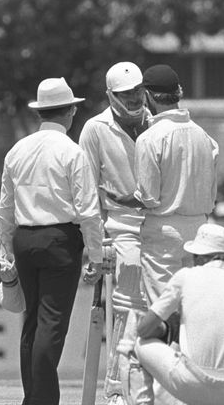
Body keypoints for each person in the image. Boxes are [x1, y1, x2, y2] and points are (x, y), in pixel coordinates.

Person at [0, 77, 103, 405]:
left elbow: (5, 207)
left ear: (40, 111)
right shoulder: (72, 152)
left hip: (25, 239)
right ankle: (41, 401)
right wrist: (96, 256)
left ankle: (35, 397)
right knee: (52, 324)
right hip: (60, 239)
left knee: (32, 323)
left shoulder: (18, 150)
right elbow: (88, 210)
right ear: (71, 111)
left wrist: (6, 248)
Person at [111, 64, 219, 303]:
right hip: (200, 228)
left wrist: (118, 198)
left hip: (164, 233)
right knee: (191, 305)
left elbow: (147, 198)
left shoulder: (150, 138)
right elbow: (212, 194)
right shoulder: (204, 136)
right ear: (178, 92)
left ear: (148, 96)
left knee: (163, 307)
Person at [79, 61, 151, 405]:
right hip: (119, 226)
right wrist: (96, 242)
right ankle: (117, 389)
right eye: (126, 93)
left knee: (165, 308)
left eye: (137, 90)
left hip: (159, 225)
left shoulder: (158, 121)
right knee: (124, 311)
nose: (134, 98)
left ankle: (156, 387)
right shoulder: (95, 129)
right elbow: (87, 189)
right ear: (110, 95)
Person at [130, 223, 224, 405]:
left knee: (136, 344)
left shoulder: (185, 276)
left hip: (192, 384)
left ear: (200, 256)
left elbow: (143, 330)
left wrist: (165, 330)